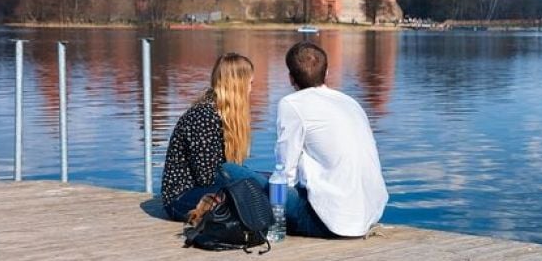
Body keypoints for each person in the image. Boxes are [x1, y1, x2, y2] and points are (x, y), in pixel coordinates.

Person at [275, 41, 388, 238]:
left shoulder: (292, 104)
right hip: (369, 214)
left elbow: (286, 173)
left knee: (238, 177)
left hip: (330, 222)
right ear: (326, 74)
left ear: (291, 78)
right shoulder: (351, 103)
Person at [161, 52, 264, 222]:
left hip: (212, 190)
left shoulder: (223, 114)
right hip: (182, 198)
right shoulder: (203, 116)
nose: (251, 90)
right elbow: (206, 177)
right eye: (250, 83)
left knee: (264, 182)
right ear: (238, 85)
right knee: (253, 192)